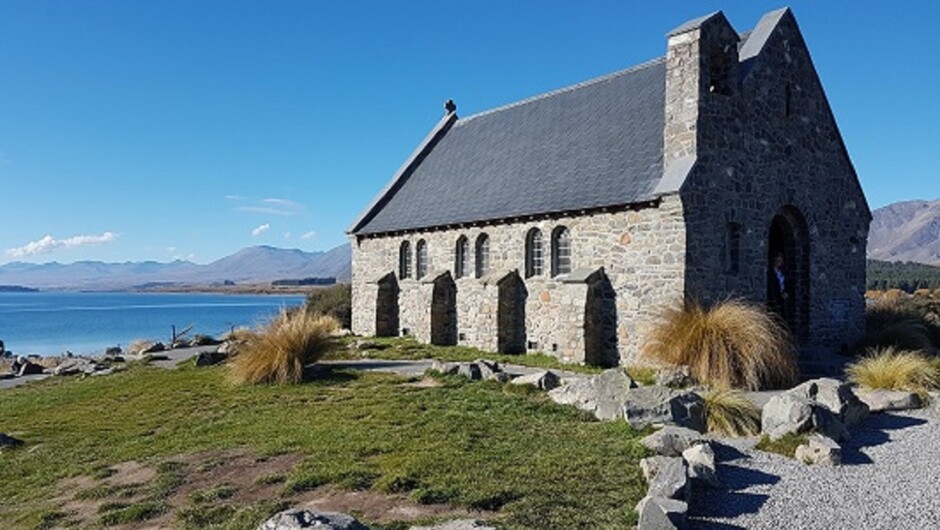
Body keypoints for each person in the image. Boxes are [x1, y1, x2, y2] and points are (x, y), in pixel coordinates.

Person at [768, 253, 788, 319]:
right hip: (775, 296)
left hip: (782, 296)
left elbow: (785, 283)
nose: (778, 262)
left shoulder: (782, 271)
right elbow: (772, 285)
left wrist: (786, 292)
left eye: (780, 260)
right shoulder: (770, 271)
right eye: (777, 260)